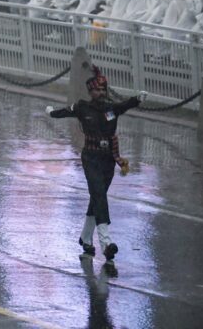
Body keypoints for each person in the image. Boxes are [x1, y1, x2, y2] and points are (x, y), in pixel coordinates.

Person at [47, 67, 145, 263]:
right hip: (90, 158)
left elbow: (125, 105)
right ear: (90, 92)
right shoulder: (83, 107)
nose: (101, 93)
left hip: (108, 159)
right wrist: (51, 113)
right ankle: (106, 243)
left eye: (103, 90)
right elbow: (65, 112)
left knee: (97, 197)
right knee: (99, 193)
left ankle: (85, 238)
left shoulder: (111, 109)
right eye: (97, 90)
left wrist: (137, 99)